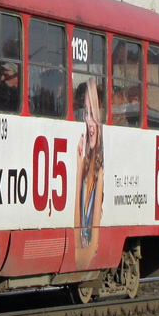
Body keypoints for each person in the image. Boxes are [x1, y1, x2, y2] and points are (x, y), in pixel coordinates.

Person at [74, 78, 104, 267]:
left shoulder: (100, 172)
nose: (89, 122)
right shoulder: (86, 167)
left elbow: (82, 257)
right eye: (86, 113)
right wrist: (79, 169)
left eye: (93, 114)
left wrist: (79, 174)